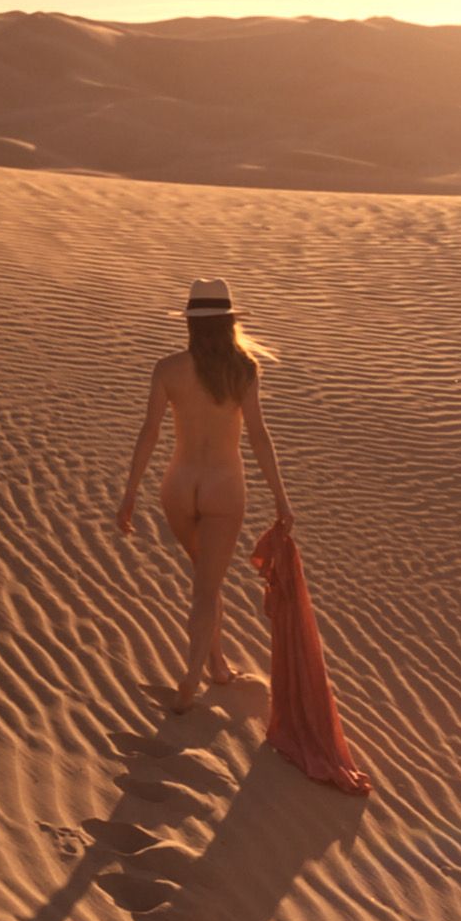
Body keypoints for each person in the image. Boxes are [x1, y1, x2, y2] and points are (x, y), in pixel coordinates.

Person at [114, 278, 295, 712]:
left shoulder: (168, 368)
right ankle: (191, 679)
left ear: (191, 325)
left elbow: (150, 432)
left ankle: (215, 664)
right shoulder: (244, 369)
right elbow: (259, 437)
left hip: (178, 486)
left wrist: (130, 493)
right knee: (206, 587)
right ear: (229, 322)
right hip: (223, 487)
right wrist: (281, 499)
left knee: (204, 580)